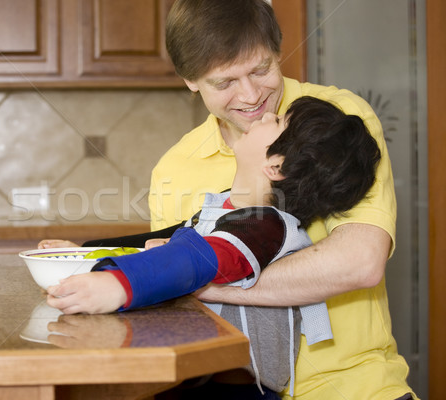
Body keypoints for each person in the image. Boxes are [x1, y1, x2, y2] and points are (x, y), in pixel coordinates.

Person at [142, 0, 415, 399]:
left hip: (357, 387)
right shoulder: (174, 168)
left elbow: (360, 263)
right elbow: (180, 318)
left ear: (278, 50)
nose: (252, 96)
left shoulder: (337, 121)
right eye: (225, 82)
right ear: (190, 80)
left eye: (261, 69)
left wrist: (196, 279)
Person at [45, 96, 381, 398]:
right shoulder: (231, 211)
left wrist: (119, 285)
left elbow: (201, 258)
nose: (265, 117)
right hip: (205, 377)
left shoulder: (266, 225)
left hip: (237, 387)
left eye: (277, 122)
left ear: (275, 167)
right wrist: (87, 252)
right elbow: (173, 238)